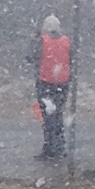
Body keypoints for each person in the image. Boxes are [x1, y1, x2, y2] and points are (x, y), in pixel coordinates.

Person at [34, 12, 71, 161]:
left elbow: (31, 57)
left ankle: (50, 148)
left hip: (45, 83)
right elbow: (72, 59)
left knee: (48, 117)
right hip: (63, 84)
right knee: (58, 115)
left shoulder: (41, 41)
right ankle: (60, 146)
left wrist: (33, 40)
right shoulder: (67, 41)